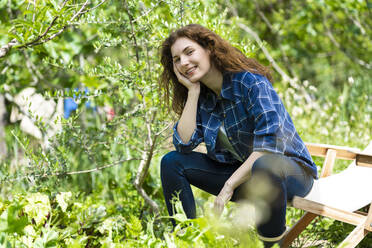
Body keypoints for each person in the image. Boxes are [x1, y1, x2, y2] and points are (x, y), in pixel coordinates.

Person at [159, 24, 317, 247]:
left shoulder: (250, 83)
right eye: (176, 59)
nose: (183, 62)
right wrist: (193, 93)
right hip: (246, 177)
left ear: (209, 49)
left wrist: (228, 187)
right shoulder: (202, 98)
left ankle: (270, 245)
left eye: (189, 52)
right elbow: (183, 145)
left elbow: (268, 146)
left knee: (265, 165)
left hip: (291, 174)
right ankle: (187, 240)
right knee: (171, 162)